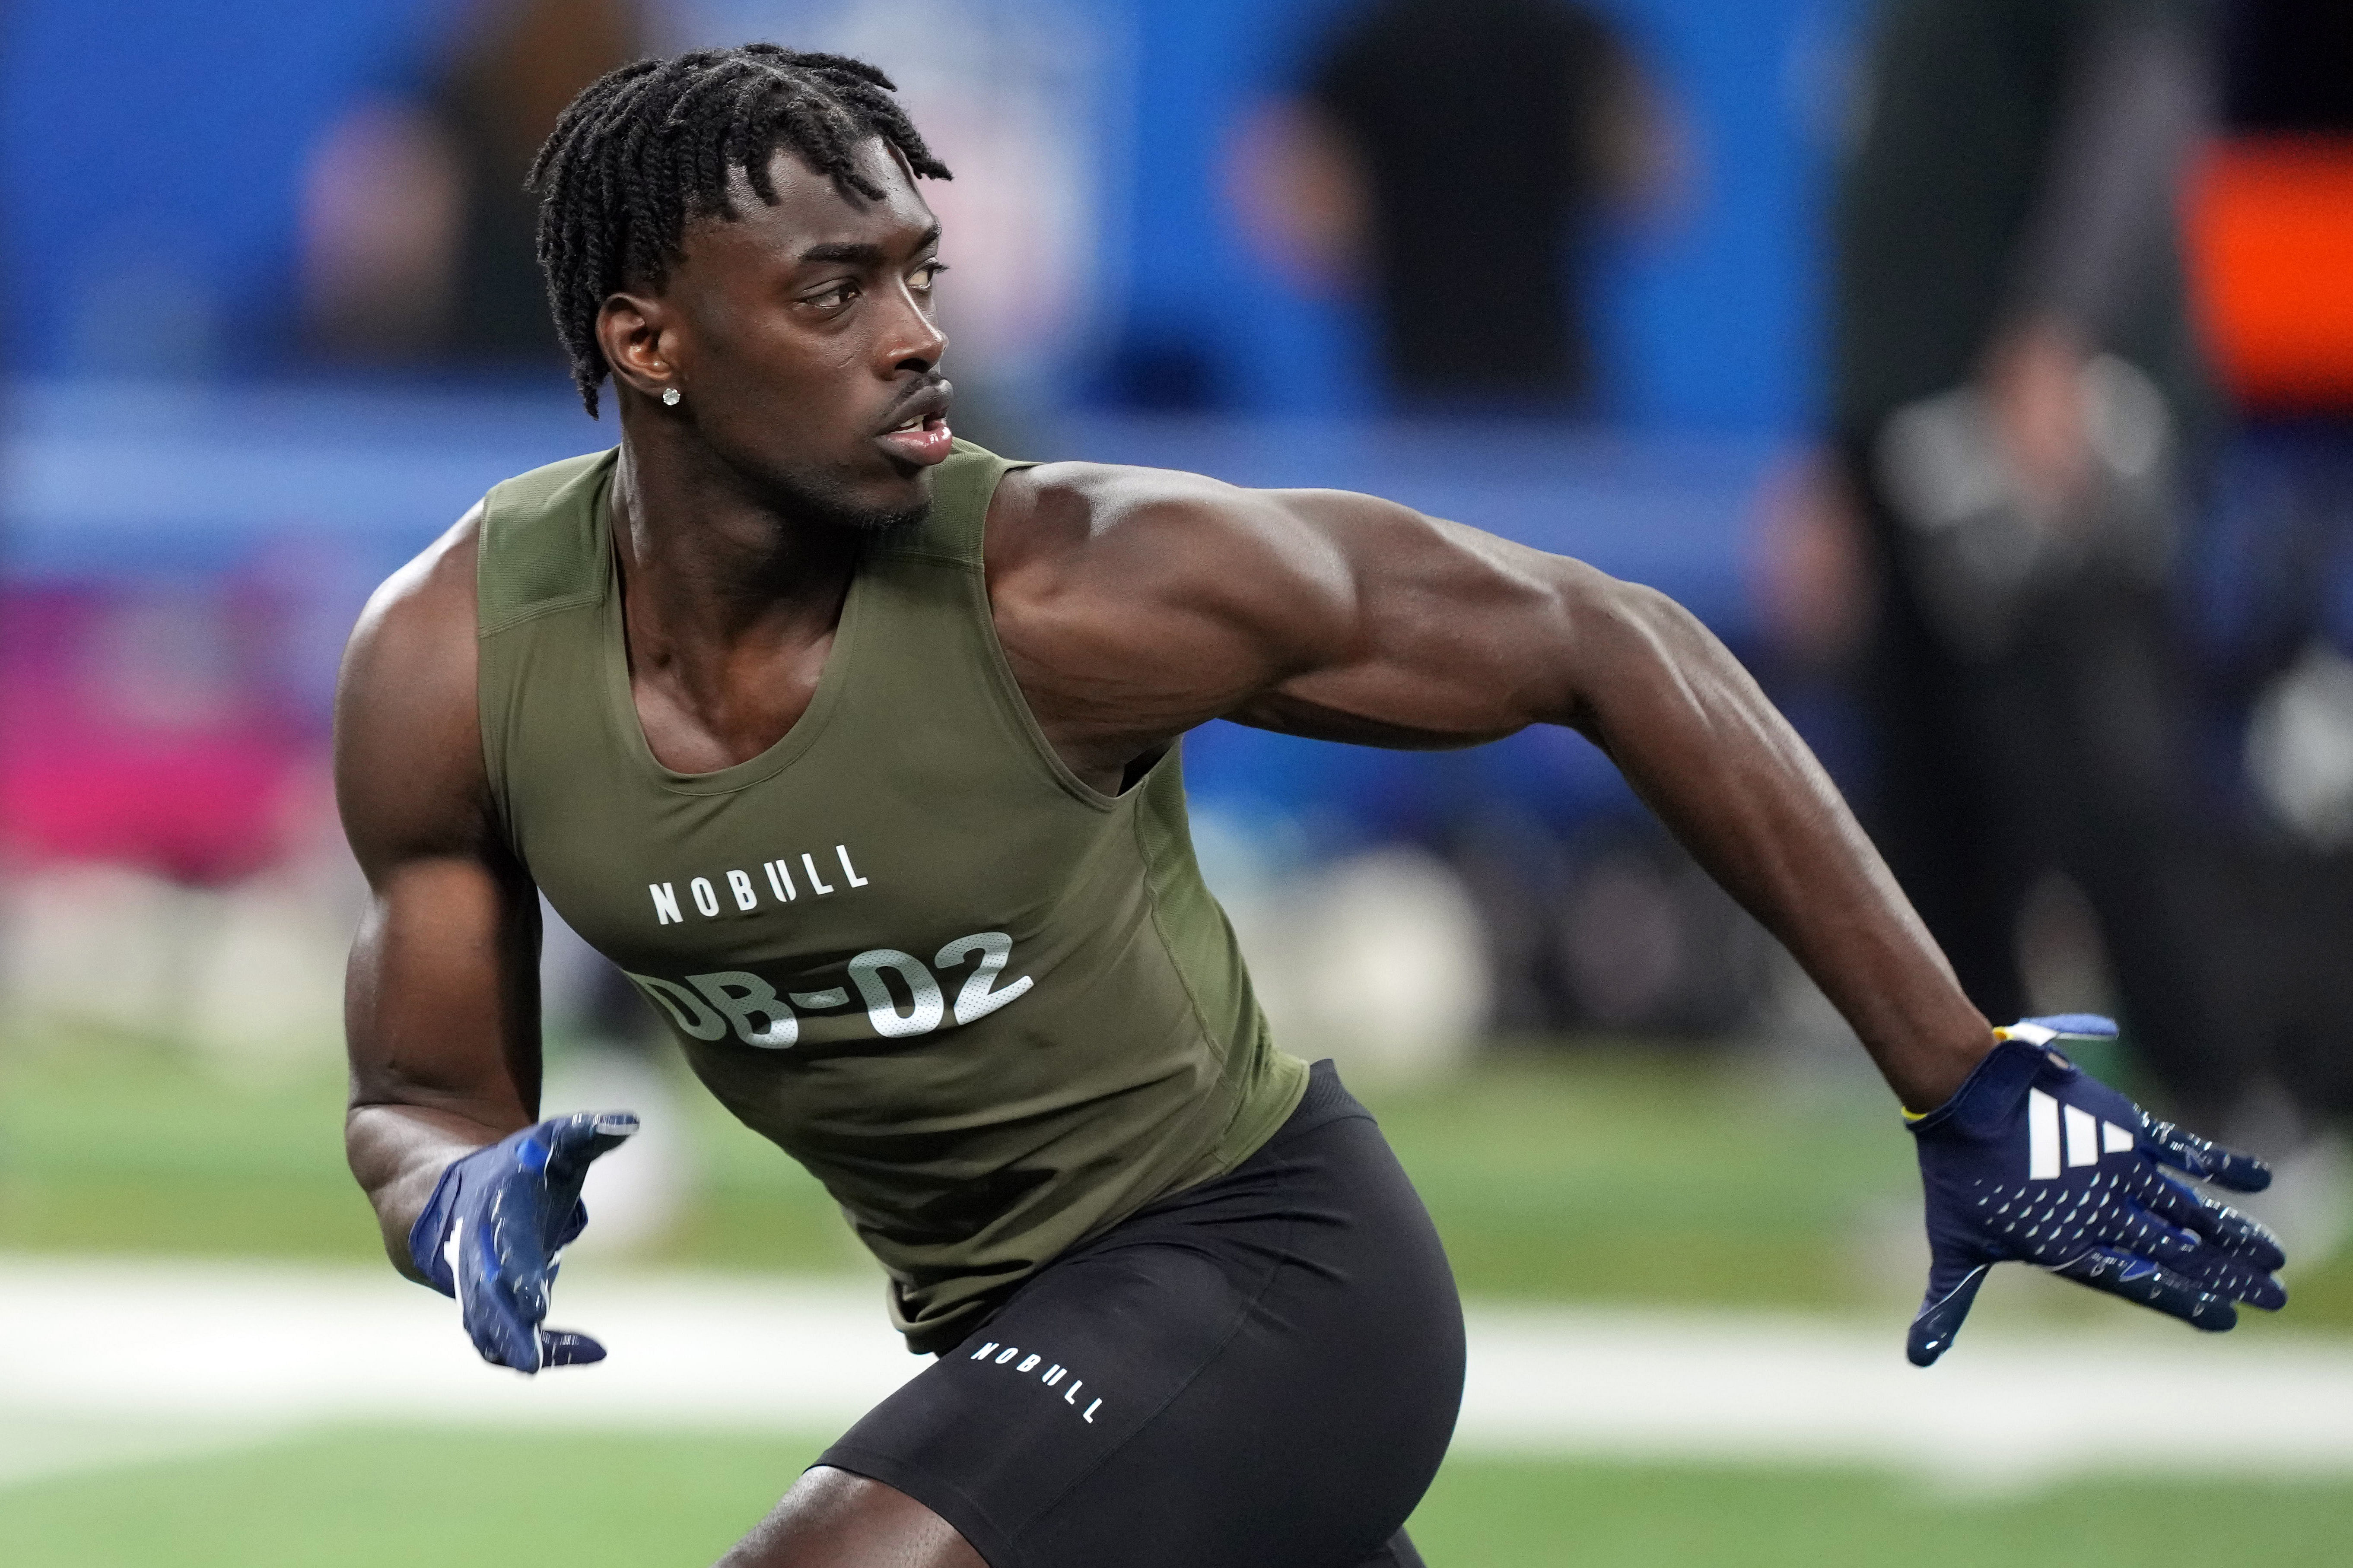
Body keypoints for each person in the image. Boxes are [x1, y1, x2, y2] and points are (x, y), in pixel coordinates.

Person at [335, 44, 2285, 1568]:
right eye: (836, 290)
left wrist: (1954, 1071)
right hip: (1033, 1340)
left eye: (918, 274)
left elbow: (1611, 641)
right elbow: (420, 1091)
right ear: (643, 341)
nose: (918, 332)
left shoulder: (1066, 580)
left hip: (1274, 1273)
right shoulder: (452, 659)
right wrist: (458, 1195)